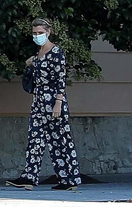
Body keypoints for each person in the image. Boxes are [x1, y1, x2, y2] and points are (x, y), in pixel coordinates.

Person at [7, 18, 82, 191]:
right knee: (35, 138)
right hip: (38, 101)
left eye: (40, 33)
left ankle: (69, 179)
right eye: (34, 33)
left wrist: (58, 102)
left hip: (53, 100)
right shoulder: (39, 54)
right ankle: (29, 177)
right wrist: (31, 63)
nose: (37, 36)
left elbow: (60, 79)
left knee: (60, 140)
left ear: (48, 32)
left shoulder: (57, 52)